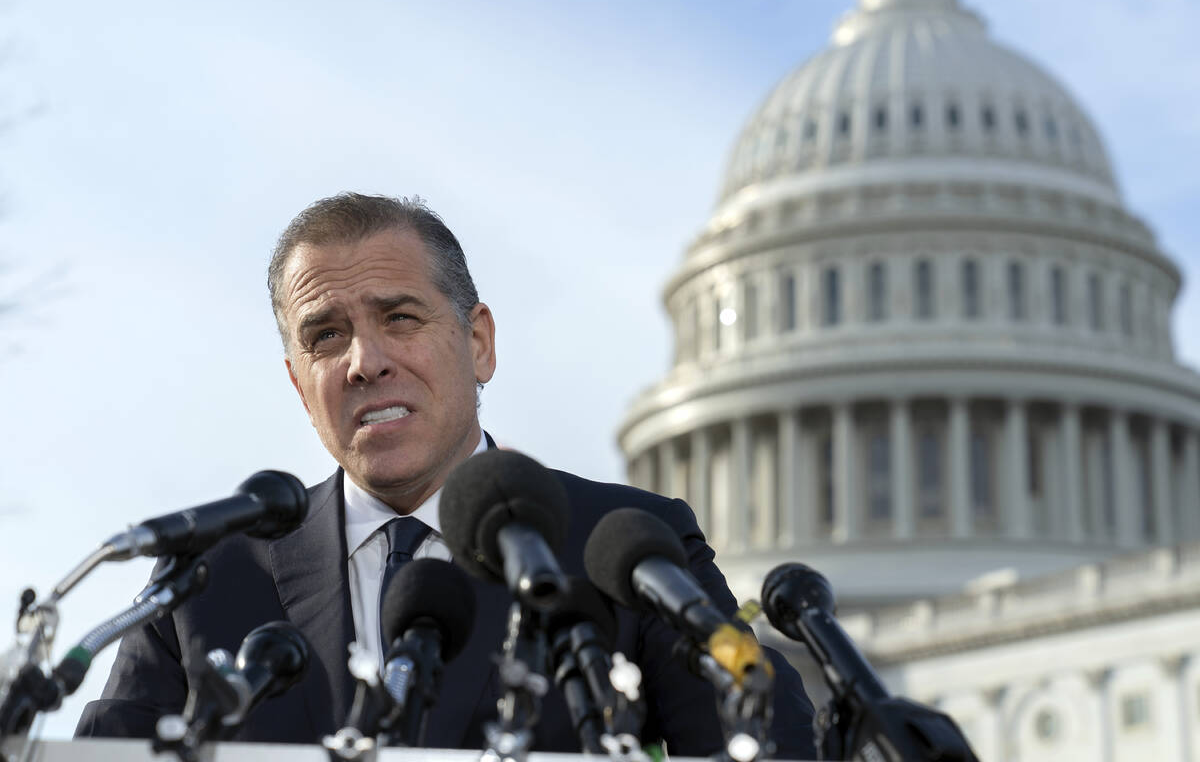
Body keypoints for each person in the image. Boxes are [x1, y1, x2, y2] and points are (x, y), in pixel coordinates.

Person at [76, 193, 816, 756]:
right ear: (301, 386)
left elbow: (762, 718)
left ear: (479, 343)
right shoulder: (206, 580)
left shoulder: (628, 546)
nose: (366, 361)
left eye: (399, 317)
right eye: (327, 336)